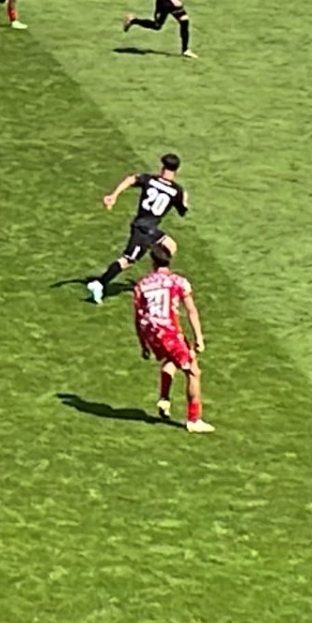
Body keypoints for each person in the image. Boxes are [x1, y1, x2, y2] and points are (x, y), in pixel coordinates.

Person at [86, 153, 188, 304]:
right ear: (176, 170)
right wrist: (184, 200)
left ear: (162, 167)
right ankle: (100, 283)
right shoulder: (177, 190)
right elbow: (182, 211)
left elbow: (131, 179)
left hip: (144, 226)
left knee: (170, 246)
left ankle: (157, 278)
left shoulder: (150, 179)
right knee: (127, 260)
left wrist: (113, 195)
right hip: (145, 230)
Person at [131, 246, 212, 433]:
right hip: (168, 332)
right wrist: (199, 337)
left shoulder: (142, 285)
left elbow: (138, 316)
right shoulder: (178, 282)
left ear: (153, 262)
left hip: (151, 332)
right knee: (193, 372)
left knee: (171, 360)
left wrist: (143, 344)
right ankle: (194, 420)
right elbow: (191, 311)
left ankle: (164, 399)